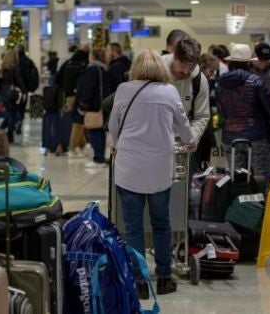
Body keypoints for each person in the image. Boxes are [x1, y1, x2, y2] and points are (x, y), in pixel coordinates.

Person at [108, 49, 195, 297]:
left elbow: (113, 126)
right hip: (159, 170)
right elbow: (183, 124)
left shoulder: (125, 90)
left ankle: (139, 282)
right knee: (161, 224)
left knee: (134, 228)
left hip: (130, 169)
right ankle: (165, 278)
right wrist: (190, 141)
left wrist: (117, 140)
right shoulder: (169, 92)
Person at [215, 43, 270, 187]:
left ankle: (239, 207)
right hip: (257, 137)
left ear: (230, 62)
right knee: (261, 179)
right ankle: (261, 207)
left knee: (236, 181)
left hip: (230, 137)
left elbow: (221, 110)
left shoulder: (220, 83)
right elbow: (269, 108)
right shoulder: (256, 81)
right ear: (249, 62)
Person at [161, 38, 210, 162]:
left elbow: (202, 116)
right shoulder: (156, 71)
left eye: (191, 67)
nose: (186, 71)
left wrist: (192, 138)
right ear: (174, 57)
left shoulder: (199, 81)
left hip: (182, 144)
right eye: (182, 66)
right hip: (154, 141)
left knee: (182, 181)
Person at [77, 47, 108, 166]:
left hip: (93, 106)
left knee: (94, 131)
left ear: (93, 56)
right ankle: (100, 156)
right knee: (100, 131)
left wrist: (83, 105)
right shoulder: (103, 69)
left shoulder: (92, 70)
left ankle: (98, 158)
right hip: (102, 105)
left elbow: (88, 89)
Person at [56, 46, 89, 156]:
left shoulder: (68, 63)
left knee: (74, 121)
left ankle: (82, 145)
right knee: (78, 122)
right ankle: (73, 147)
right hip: (79, 96)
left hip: (67, 96)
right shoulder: (85, 65)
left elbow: (57, 80)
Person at [0, 49, 25, 144]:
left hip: (3, 94)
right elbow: (18, 80)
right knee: (13, 116)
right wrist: (24, 90)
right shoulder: (14, 67)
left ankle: (0, 131)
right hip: (12, 94)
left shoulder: (3, 66)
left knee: (10, 114)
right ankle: (9, 135)